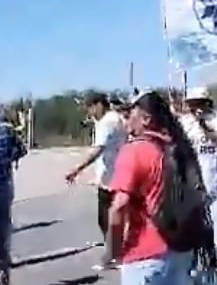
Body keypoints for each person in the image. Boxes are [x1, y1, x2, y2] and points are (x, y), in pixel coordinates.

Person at [106, 91, 207, 285]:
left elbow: (119, 207)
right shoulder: (176, 148)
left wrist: (113, 251)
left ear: (146, 119)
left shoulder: (134, 151)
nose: (125, 120)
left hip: (145, 255)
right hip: (181, 250)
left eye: (129, 115)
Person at [179, 87, 217, 275]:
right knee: (198, 234)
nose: (195, 108)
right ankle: (206, 270)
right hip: (194, 187)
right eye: (191, 104)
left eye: (198, 103)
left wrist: (205, 128)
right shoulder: (183, 124)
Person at [66, 91, 127, 257]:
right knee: (114, 217)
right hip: (116, 174)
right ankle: (117, 250)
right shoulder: (116, 118)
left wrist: (77, 169)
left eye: (90, 108)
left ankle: (116, 253)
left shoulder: (108, 122)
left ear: (99, 105)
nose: (90, 113)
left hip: (111, 178)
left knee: (106, 219)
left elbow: (98, 149)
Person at [0, 107, 26, 285]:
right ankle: (3, 271)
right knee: (3, 228)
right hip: (3, 183)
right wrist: (9, 158)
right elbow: (22, 150)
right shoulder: (7, 130)